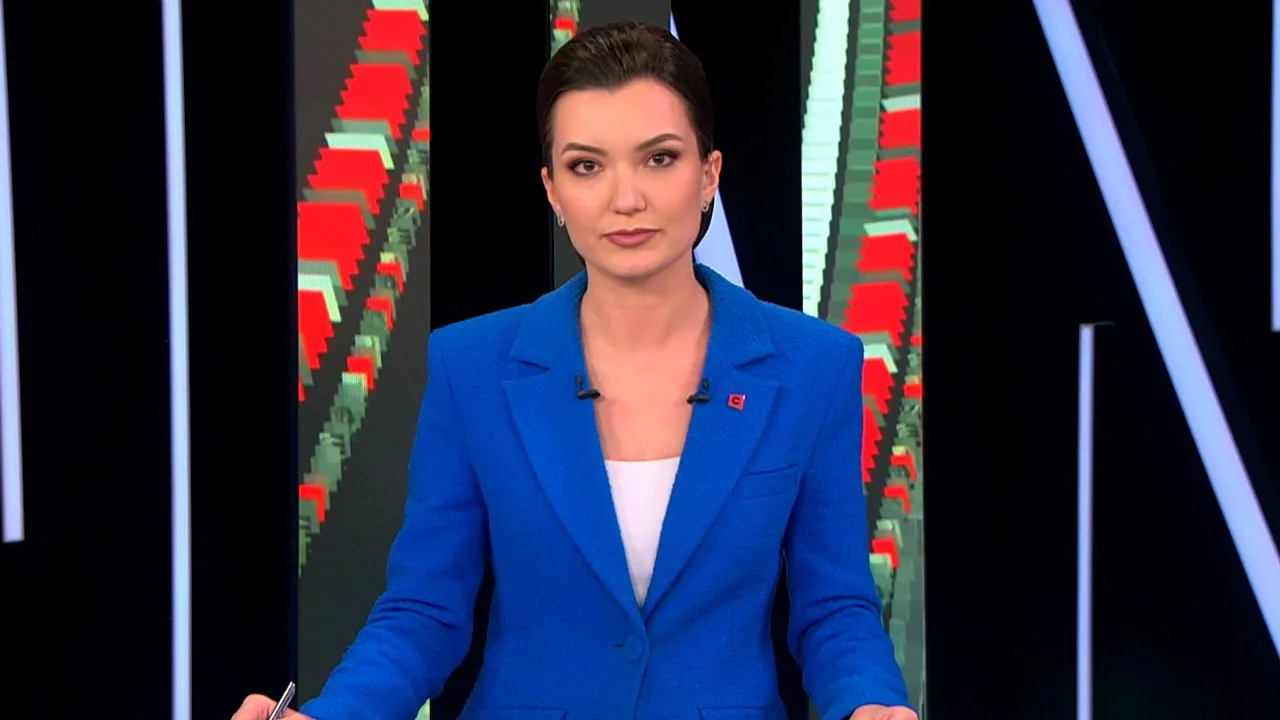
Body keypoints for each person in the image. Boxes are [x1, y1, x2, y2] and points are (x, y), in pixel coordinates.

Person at [236, 20, 915, 720]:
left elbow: (835, 608)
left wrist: (869, 704)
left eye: (659, 159)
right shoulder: (472, 366)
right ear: (553, 190)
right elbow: (424, 611)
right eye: (587, 166)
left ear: (709, 174)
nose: (626, 198)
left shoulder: (814, 366)